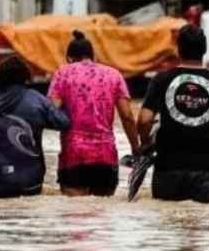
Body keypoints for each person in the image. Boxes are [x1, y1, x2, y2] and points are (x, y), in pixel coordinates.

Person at [137, 24, 209, 204]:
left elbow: (144, 120)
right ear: (204, 50)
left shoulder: (161, 80)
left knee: (167, 227)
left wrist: (146, 143)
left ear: (178, 49)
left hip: (167, 169)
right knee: (201, 227)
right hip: (205, 171)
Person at [48, 31, 140, 197]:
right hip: (106, 157)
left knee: (74, 217)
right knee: (102, 217)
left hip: (73, 156)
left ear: (69, 58)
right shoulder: (114, 75)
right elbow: (127, 116)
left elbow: (51, 112)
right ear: (93, 56)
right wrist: (135, 148)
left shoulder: (63, 73)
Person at [0, 56, 70, 198]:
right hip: (31, 180)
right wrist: (66, 102)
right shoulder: (37, 100)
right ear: (26, 76)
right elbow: (63, 123)